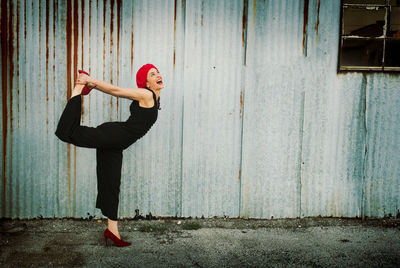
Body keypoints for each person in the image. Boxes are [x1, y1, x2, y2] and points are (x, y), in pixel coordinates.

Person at [55, 64, 164, 247]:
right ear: (145, 83)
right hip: (113, 136)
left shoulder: (154, 98)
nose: (158, 75)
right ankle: (78, 88)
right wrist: (91, 82)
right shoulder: (146, 95)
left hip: (116, 143)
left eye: (157, 72)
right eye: (152, 74)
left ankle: (112, 231)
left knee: (111, 182)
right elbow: (116, 90)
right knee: (66, 132)